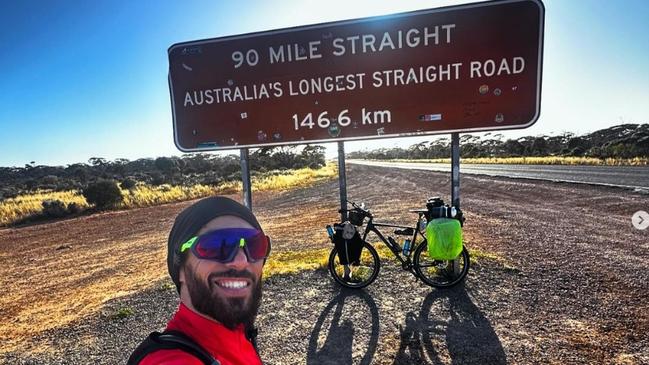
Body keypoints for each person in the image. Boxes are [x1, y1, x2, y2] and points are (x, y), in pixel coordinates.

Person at [128, 196, 271, 365]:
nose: (241, 261)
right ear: (180, 269)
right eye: (216, 245)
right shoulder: (171, 360)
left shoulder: (239, 334)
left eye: (255, 245)